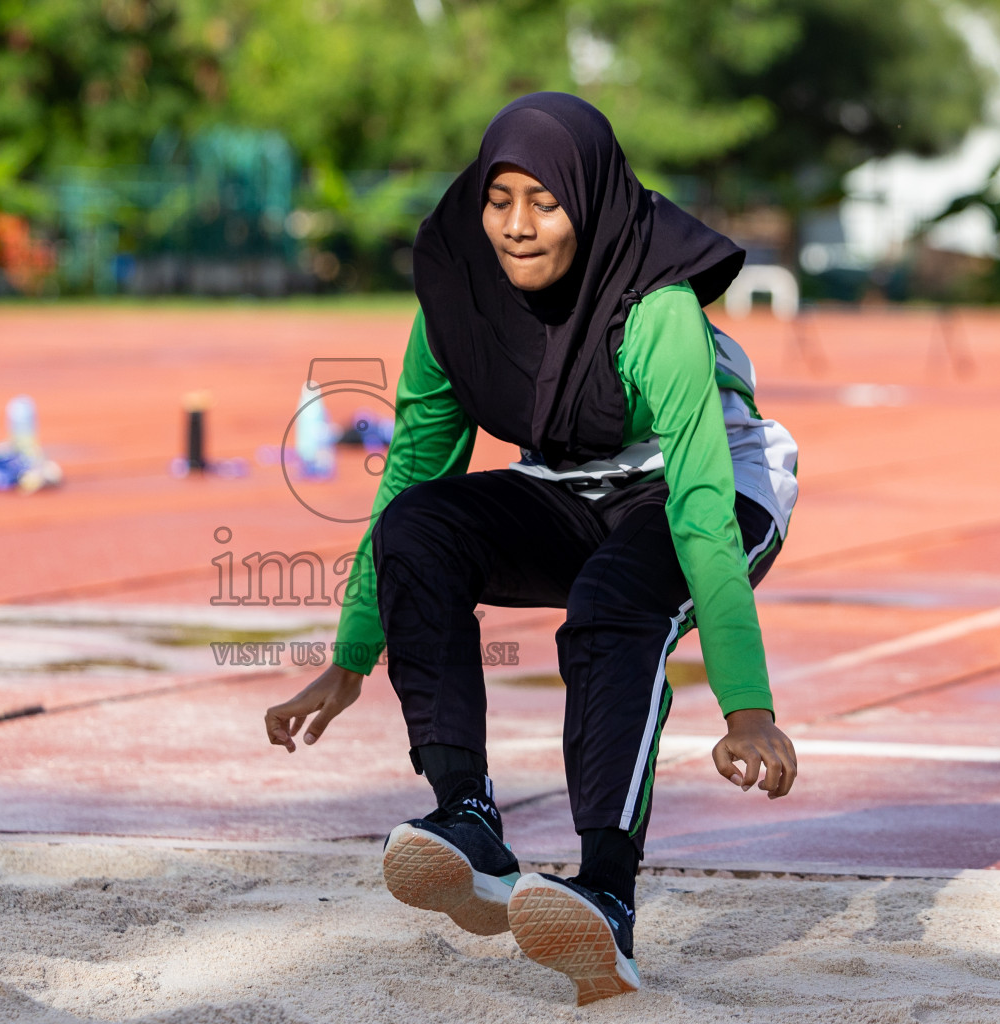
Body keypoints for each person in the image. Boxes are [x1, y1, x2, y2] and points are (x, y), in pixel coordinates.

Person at [263, 92, 800, 1006]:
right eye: (498, 197)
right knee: (421, 528)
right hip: (573, 484)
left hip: (710, 486)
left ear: (588, 204)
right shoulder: (457, 302)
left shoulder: (656, 308)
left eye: (544, 202)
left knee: (613, 606)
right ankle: (467, 819)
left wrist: (745, 706)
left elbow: (703, 507)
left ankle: (606, 896)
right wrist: (351, 657)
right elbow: (410, 477)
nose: (516, 226)